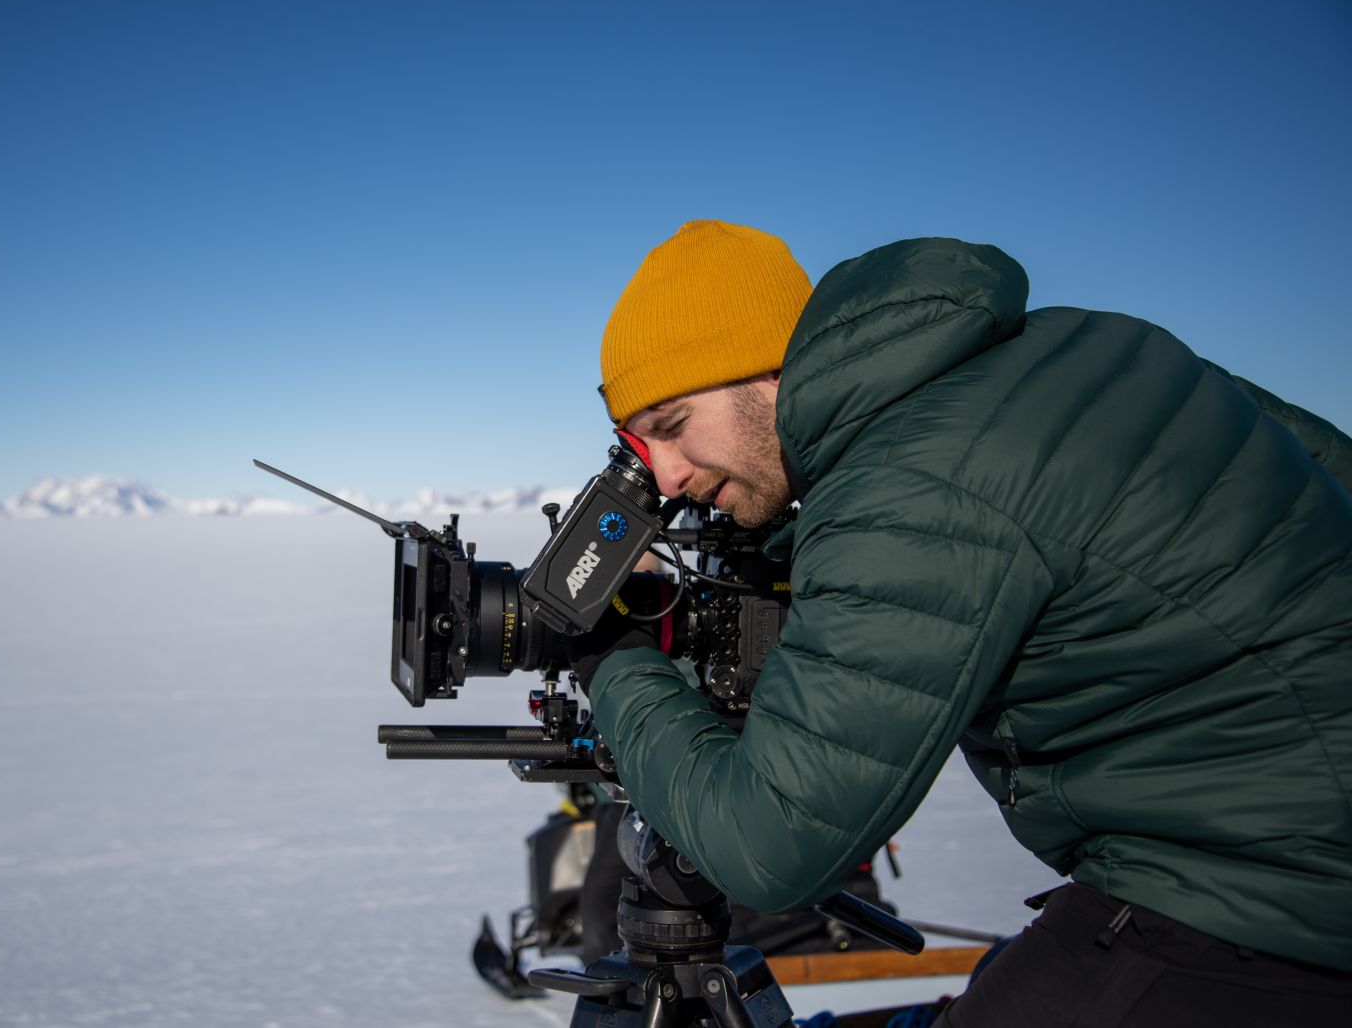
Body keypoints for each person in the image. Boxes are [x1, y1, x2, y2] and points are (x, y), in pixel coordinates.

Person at [566, 221, 1352, 1025]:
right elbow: (1331, 468)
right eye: (639, 445)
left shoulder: (906, 482)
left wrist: (617, 660)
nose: (667, 476)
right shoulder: (1092, 345)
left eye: (672, 426)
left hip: (1255, 895)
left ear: (764, 372)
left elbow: (771, 847)